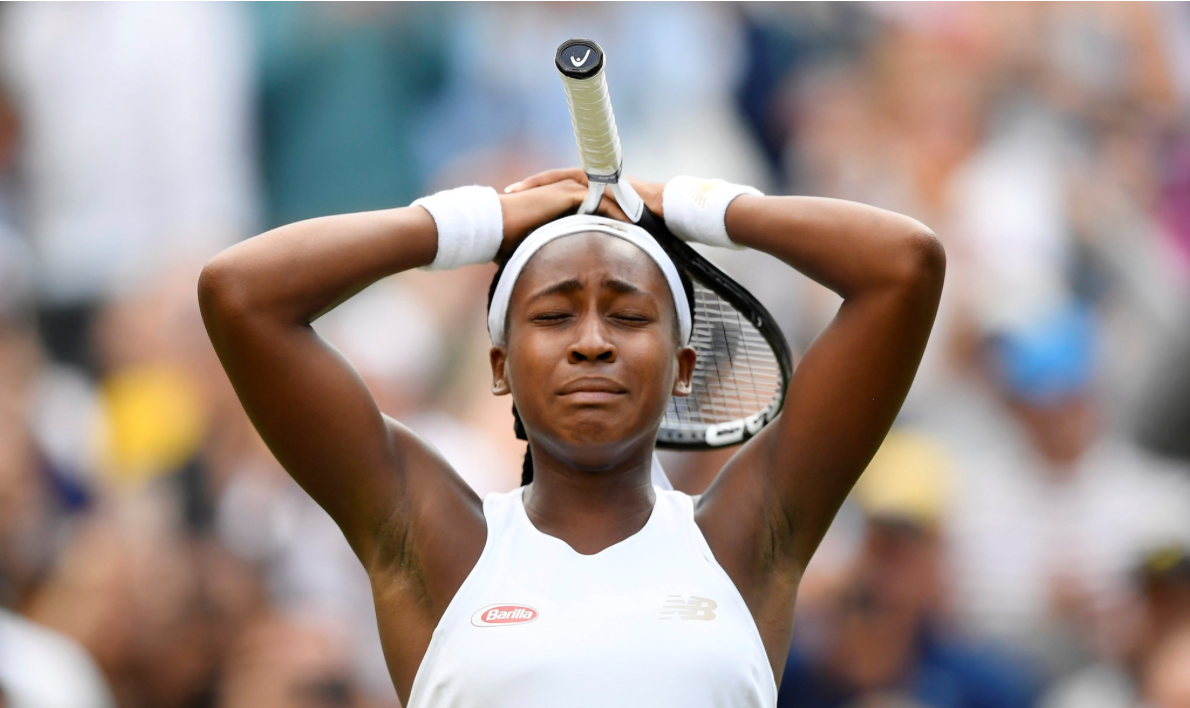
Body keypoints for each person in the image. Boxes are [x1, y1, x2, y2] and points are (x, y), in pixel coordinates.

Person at [198, 167, 944, 706]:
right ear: (500, 366)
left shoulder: (748, 540)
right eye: (555, 316)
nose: (591, 342)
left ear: (684, 366)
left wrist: (686, 204)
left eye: (627, 315)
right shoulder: (434, 542)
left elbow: (905, 266)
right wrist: (480, 220)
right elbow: (241, 295)